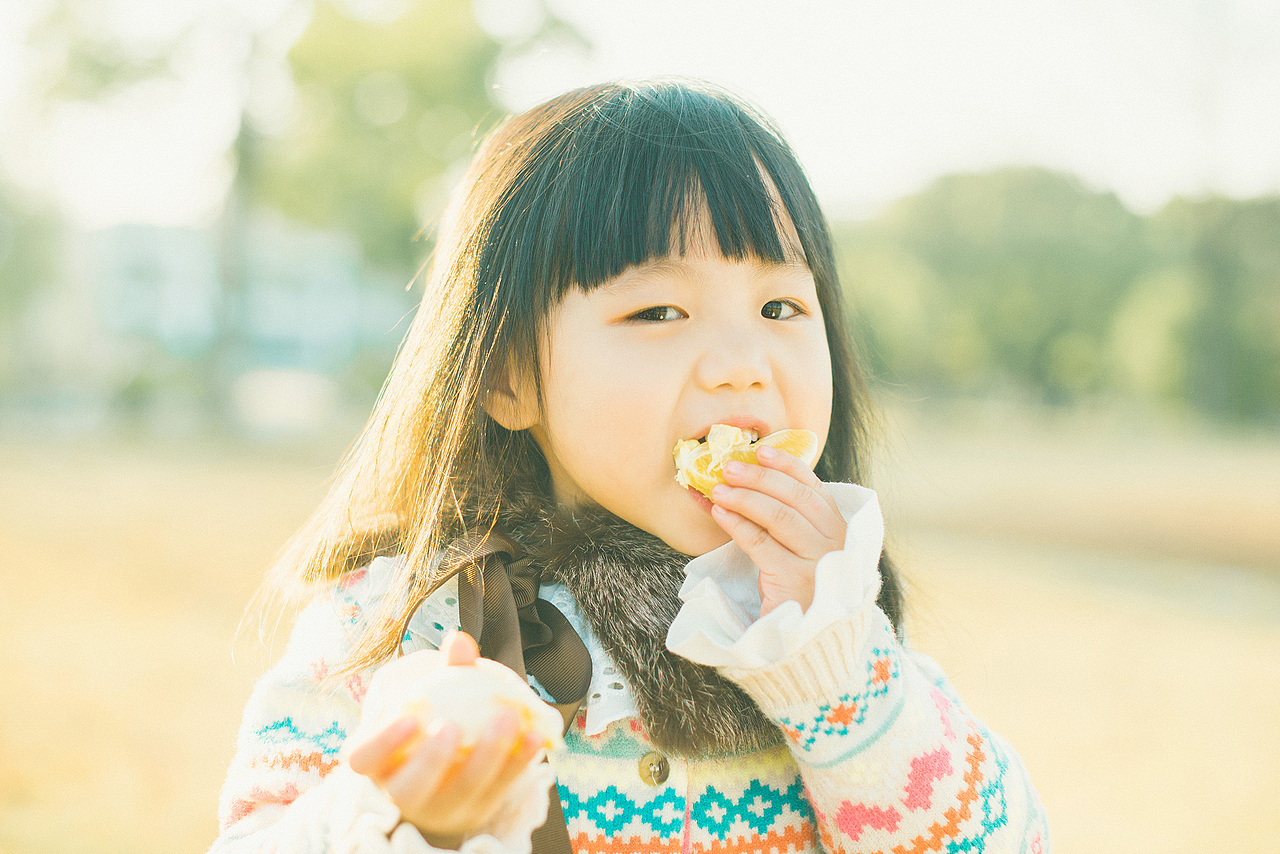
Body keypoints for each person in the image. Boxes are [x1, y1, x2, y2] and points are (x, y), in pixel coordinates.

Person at [210, 79, 1050, 854]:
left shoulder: (828, 630)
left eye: (781, 305)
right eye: (659, 310)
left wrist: (839, 669)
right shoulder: (403, 622)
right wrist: (399, 809)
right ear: (508, 376)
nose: (743, 363)